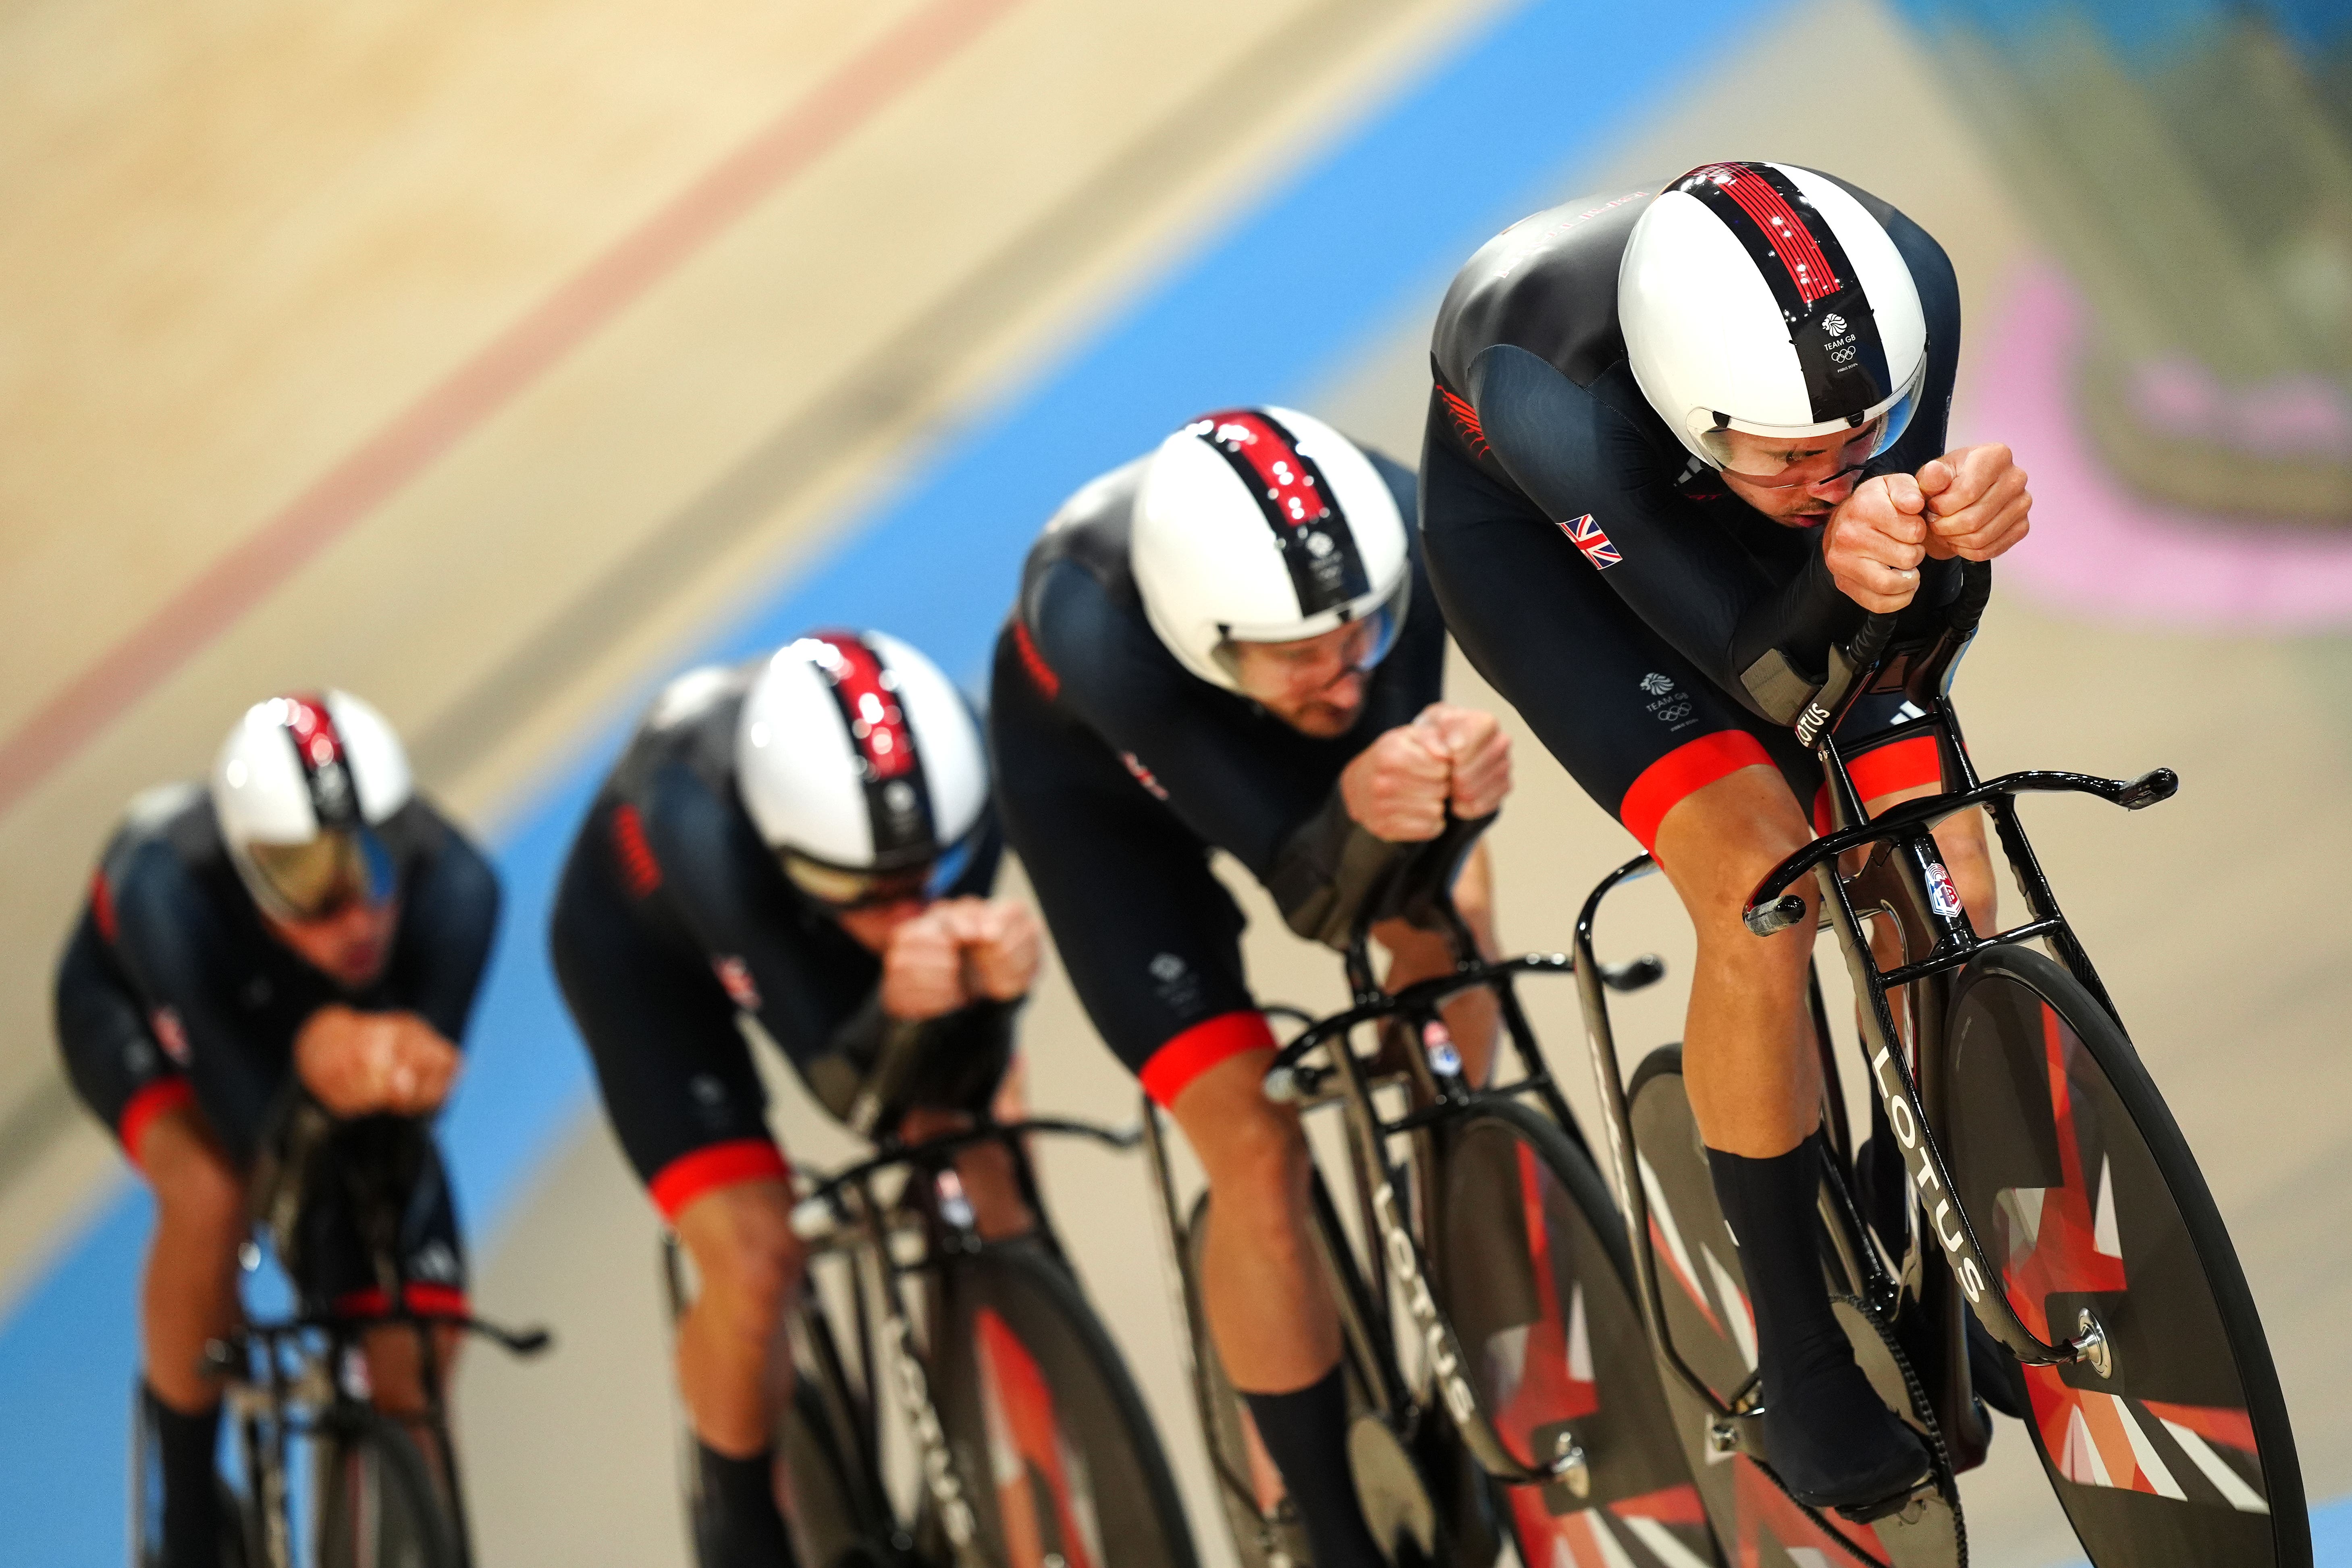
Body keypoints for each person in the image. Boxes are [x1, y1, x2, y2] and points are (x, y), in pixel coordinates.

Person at [1417, 162, 2033, 1516]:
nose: (1833, 474)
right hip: (1553, 549)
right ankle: (1798, 1353)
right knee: (1762, 886)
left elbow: (1898, 607)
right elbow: (1759, 677)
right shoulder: (1549, 387)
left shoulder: (1902, 285)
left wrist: (1943, 537)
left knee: (1945, 864)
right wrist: (1851, 545)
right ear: (1702, 420)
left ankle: (1919, 1189)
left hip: (1737, 533)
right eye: (1795, 457)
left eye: (1860, 435)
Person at [991, 406, 1510, 1565]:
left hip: (1267, 741)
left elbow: (1399, 846)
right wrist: (1368, 803)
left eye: (1357, 633)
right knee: (1254, 1148)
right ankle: (1331, 1531)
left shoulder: (1393, 537)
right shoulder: (1095, 620)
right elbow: (1308, 886)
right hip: (1104, 809)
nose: (1340, 676)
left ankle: (1459, 1199)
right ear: (1206, 635)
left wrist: (1444, 797)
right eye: (1302, 655)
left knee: (1449, 937)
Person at [548, 629, 1041, 1568]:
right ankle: (743, 1523)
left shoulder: (967, 782)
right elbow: (846, 1092)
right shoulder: (696, 820)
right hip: (653, 956)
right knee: (757, 1254)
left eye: (928, 875)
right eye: (873, 890)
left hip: (815, 901)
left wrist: (991, 988)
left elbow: (959, 1066)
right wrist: (902, 999)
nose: (906, 905)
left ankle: (1039, 1477)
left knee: (988, 1159)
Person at [54, 691, 500, 1568]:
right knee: (214, 1192)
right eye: (310, 886)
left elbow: (400, 1134)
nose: (359, 914)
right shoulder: (164, 892)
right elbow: (256, 1126)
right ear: (249, 869)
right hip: (154, 1018)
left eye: (377, 866)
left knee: (418, 1329)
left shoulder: (461, 889)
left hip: (308, 1046)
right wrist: (313, 1051)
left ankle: (384, 1505)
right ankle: (186, 1515)